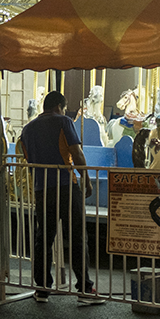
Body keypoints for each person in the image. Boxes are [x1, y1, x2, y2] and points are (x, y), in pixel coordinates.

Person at [18, 90, 102, 304]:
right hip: (66, 185)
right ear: (59, 107)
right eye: (64, 108)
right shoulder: (64, 122)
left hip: (41, 188)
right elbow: (77, 152)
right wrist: (86, 178)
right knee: (76, 236)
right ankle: (84, 288)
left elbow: (27, 158)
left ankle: (42, 288)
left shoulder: (27, 130)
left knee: (43, 237)